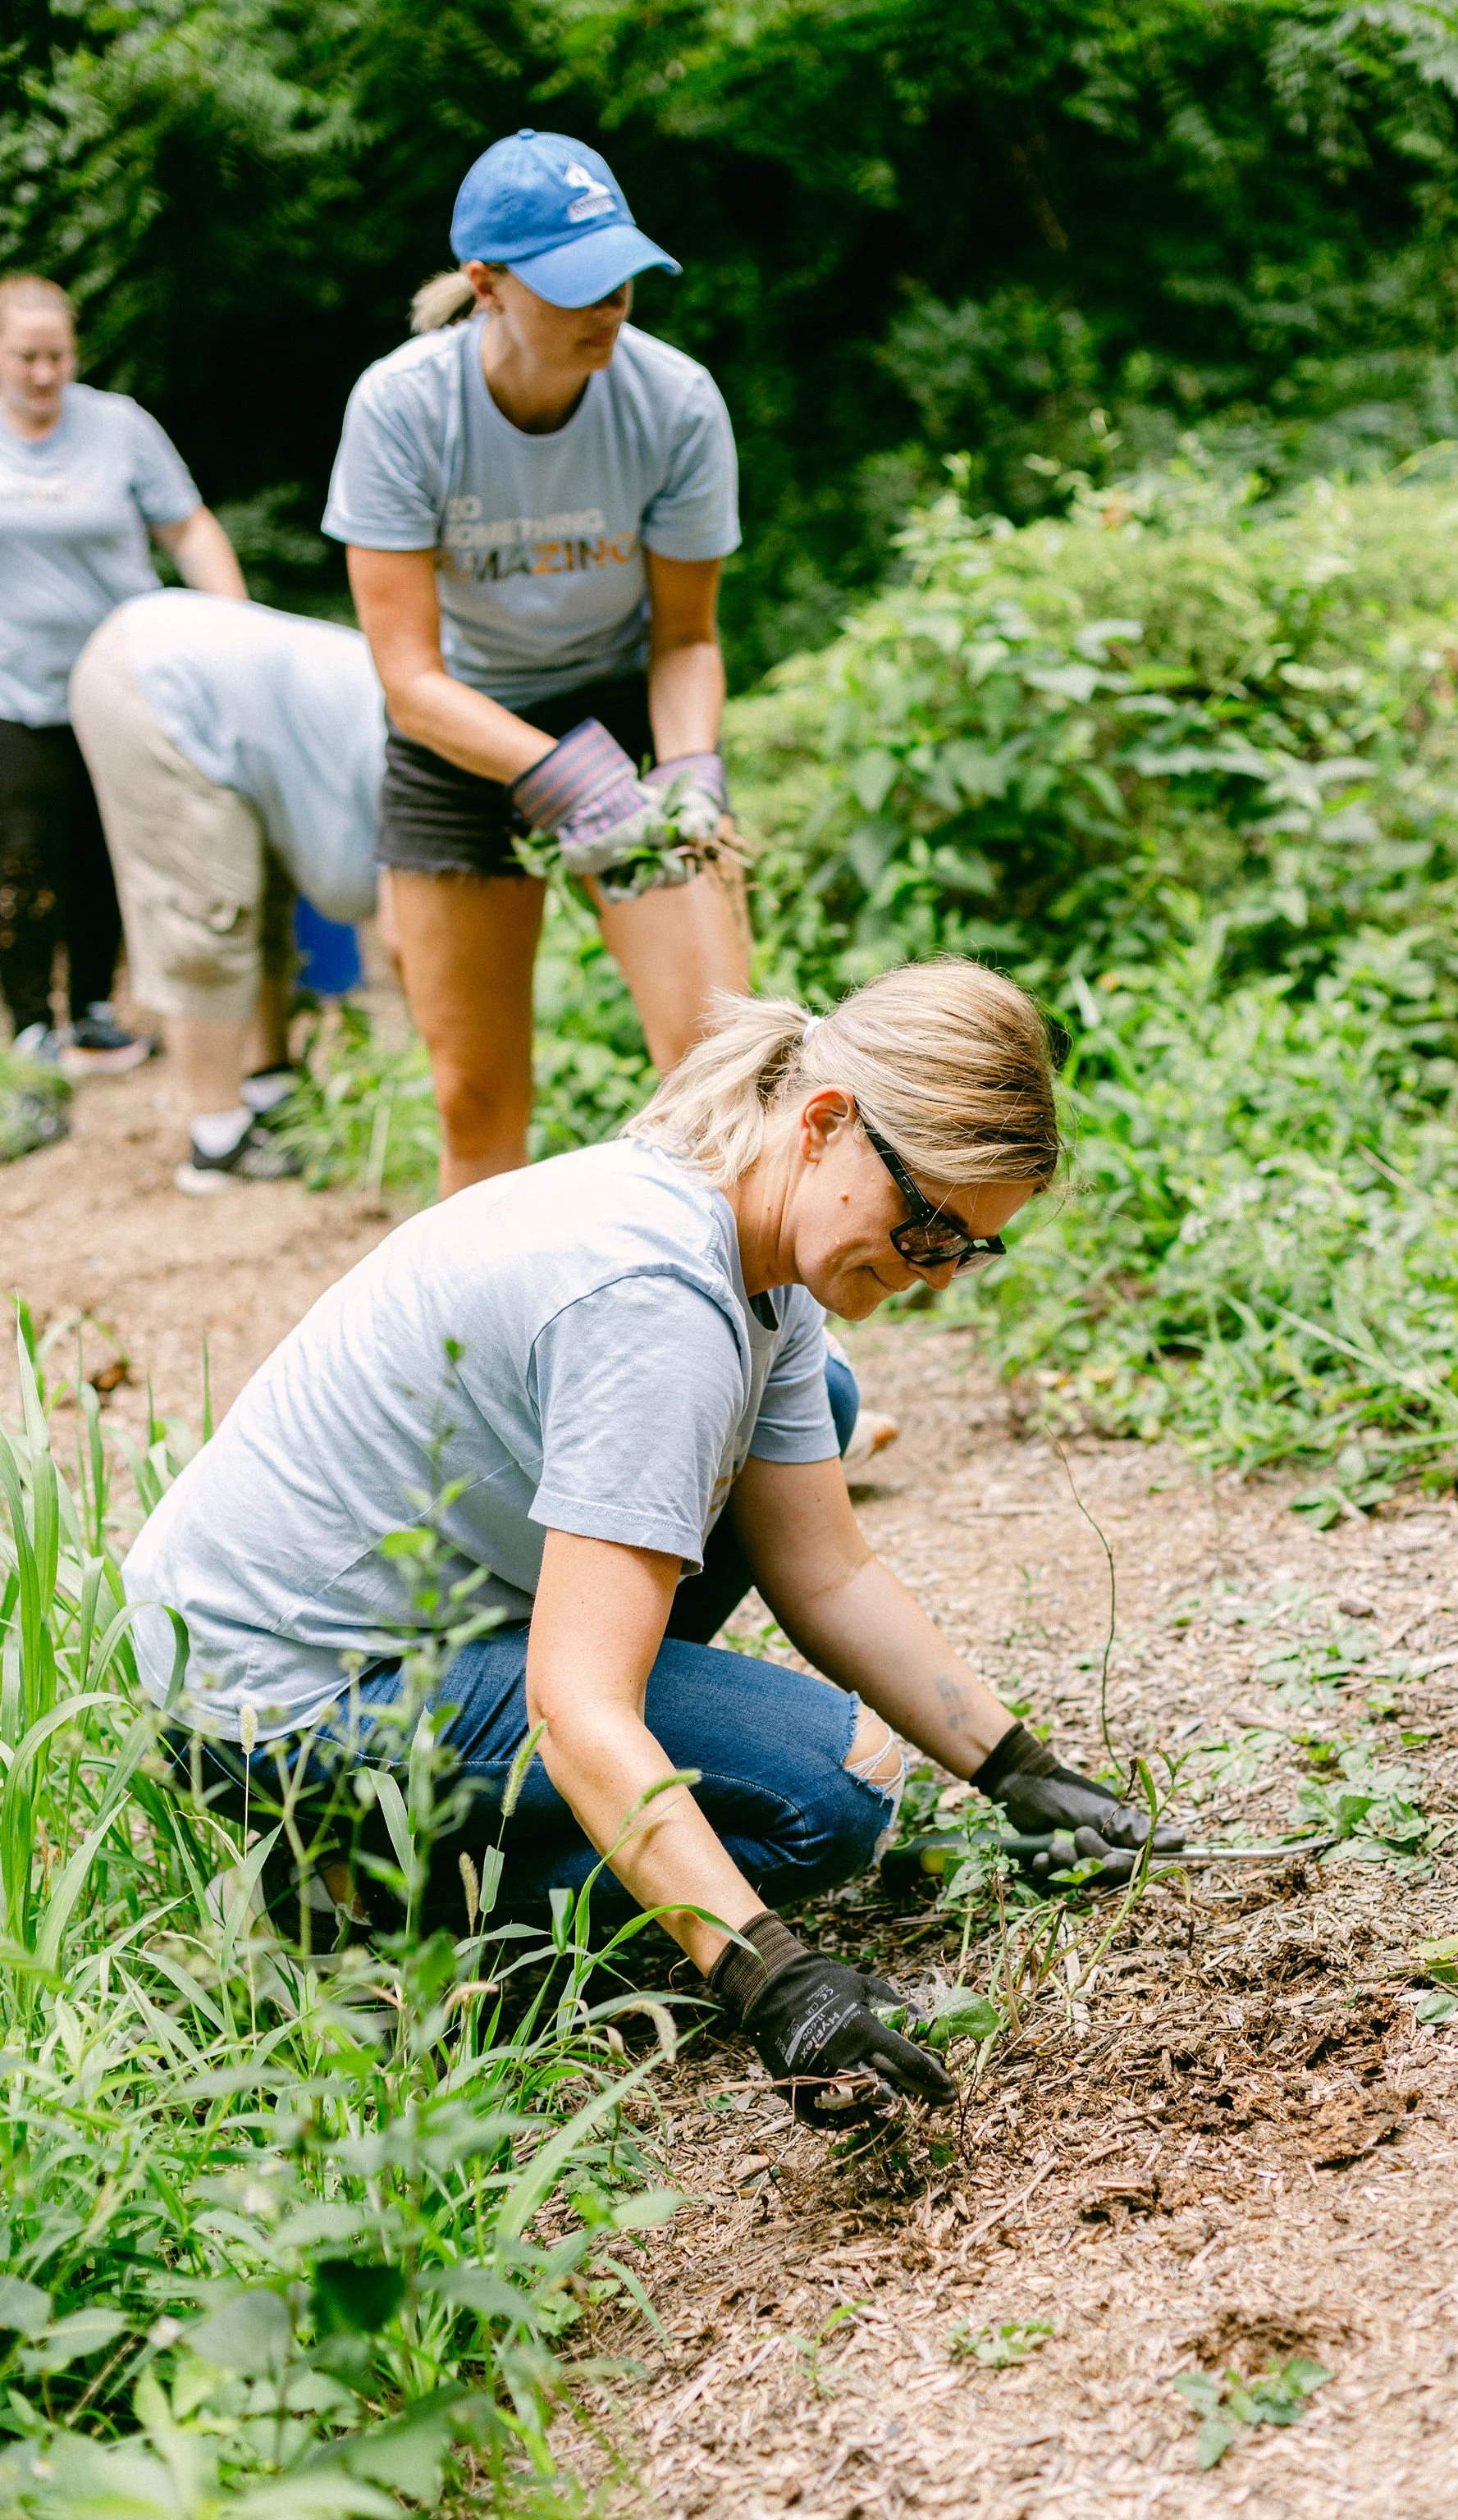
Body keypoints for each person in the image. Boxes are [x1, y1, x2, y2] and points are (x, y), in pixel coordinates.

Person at [124, 961, 1178, 2125]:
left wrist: (1022, 1772)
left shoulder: (749, 1237)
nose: (932, 1276)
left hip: (349, 1626)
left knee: (819, 1404)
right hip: (275, 1699)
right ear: (826, 1122)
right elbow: (576, 1704)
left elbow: (826, 1568)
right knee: (837, 1791)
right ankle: (395, 1925)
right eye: (925, 1225)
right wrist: (770, 1978)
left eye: (968, 1249)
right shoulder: (655, 1304)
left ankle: (408, 1861)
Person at [322, 128, 750, 1201]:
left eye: (622, 277)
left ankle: (737, 1306)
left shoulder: (676, 402)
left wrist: (689, 772)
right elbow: (409, 680)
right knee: (475, 1096)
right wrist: (558, 776)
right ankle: (481, 1311)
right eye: (576, 285)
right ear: (487, 286)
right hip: (460, 734)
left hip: (624, 711)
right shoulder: (402, 408)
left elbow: (686, 639)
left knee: (718, 1077)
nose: (610, 306)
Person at [0, 272, 246, 1073]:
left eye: (58, 355)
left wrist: (236, 628)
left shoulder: (120, 427)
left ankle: (95, 1010)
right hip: (15, 690)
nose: (45, 373)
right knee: (23, 854)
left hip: (120, 683)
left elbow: (189, 528)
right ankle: (30, 1024)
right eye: (26, 356)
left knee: (109, 850)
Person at [70, 589, 384, 1192]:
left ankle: (270, 1086)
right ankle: (218, 1138)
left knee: (268, 900)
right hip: (153, 684)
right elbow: (399, 918)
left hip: (211, 686)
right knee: (207, 909)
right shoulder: (416, 733)